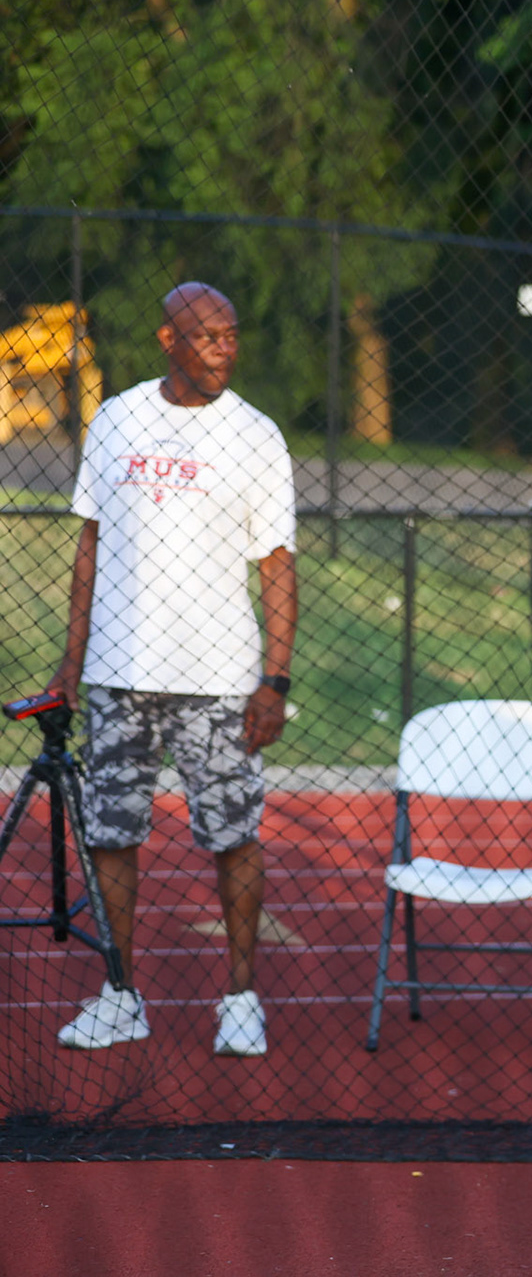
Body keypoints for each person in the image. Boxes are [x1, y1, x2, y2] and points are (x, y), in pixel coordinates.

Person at [44, 282, 299, 1056]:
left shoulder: (256, 436)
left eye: (231, 335)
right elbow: (89, 547)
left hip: (220, 678)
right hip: (118, 673)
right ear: (168, 340)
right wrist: (70, 662)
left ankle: (241, 998)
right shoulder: (118, 418)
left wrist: (275, 679)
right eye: (207, 336)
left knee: (232, 836)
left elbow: (278, 565)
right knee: (111, 832)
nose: (225, 348)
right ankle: (121, 994)